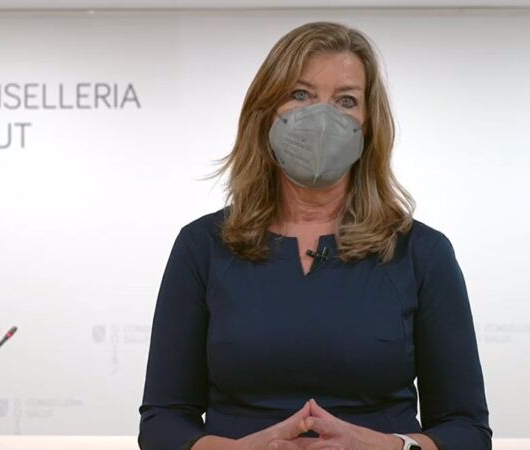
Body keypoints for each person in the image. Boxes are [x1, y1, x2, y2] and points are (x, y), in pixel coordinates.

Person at [137, 21, 492, 450]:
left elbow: (467, 430)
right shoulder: (202, 246)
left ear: (369, 124)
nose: (323, 118)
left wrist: (389, 446)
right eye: (301, 94)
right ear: (265, 111)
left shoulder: (422, 253)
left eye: (346, 100)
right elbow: (162, 422)